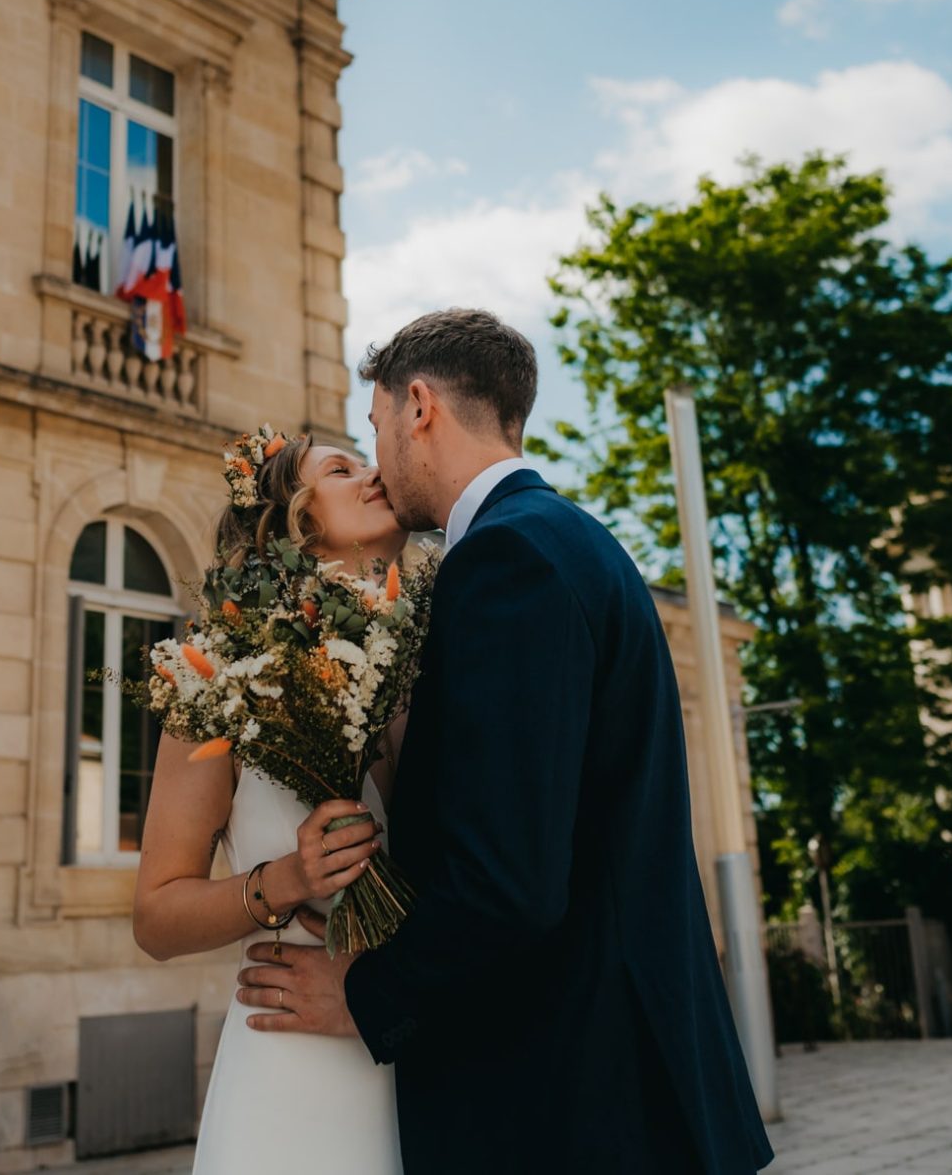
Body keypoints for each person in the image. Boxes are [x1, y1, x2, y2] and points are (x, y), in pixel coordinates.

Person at [233, 308, 775, 1174]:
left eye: (374, 428)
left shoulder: (506, 561)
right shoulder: (566, 540)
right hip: (613, 1089)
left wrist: (368, 997)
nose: (377, 463)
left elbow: (509, 878)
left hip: (571, 1103)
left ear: (419, 406)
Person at [132, 435, 411, 1175]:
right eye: (342, 469)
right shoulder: (221, 677)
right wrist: (288, 879)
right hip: (291, 1071)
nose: (375, 474)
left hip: (423, 1062)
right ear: (292, 522)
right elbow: (156, 915)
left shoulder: (435, 663)